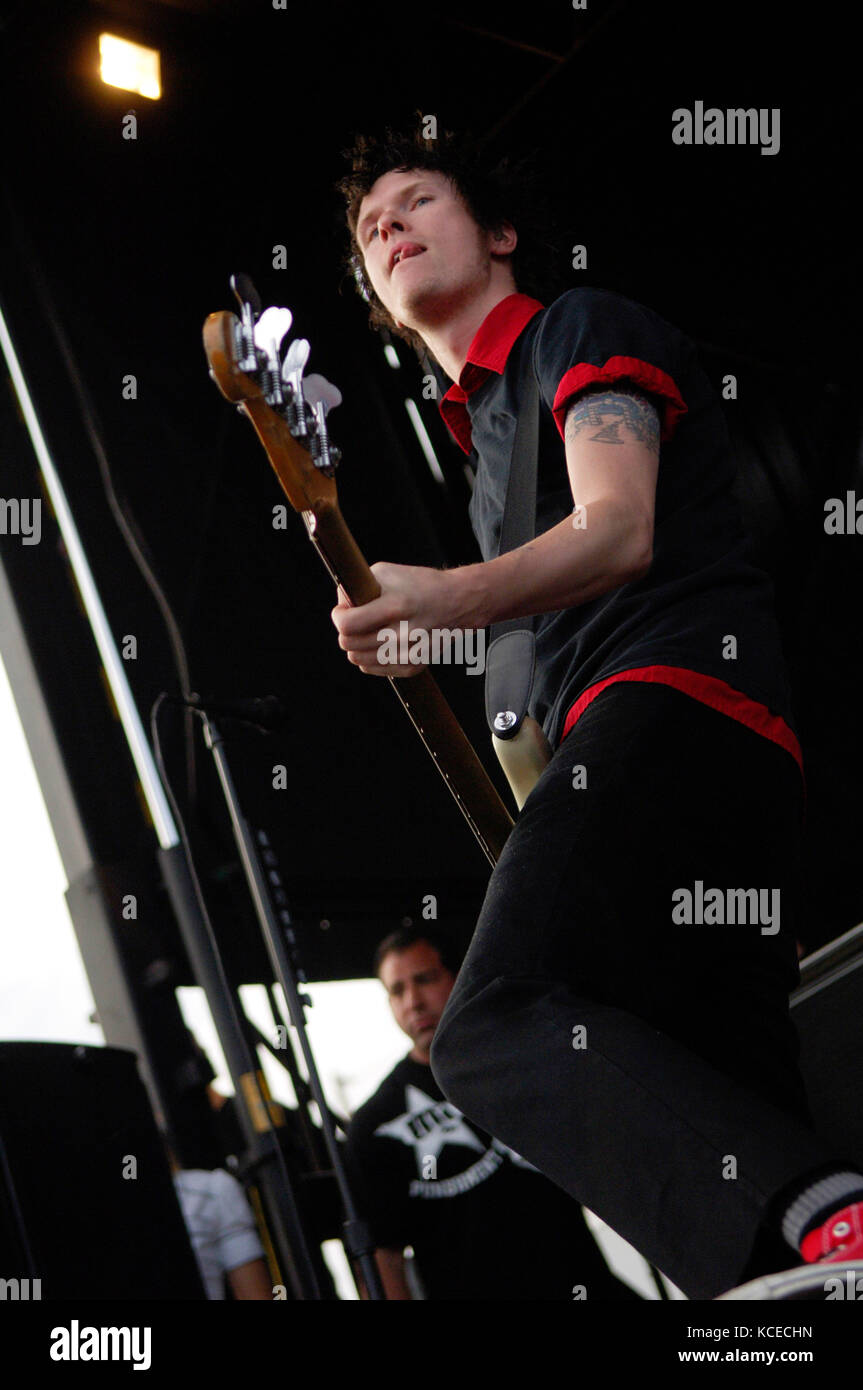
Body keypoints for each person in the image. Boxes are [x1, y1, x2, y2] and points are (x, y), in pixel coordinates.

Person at [331, 122, 863, 1300]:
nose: (386, 225)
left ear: (500, 231)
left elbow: (616, 529)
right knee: (730, 1089)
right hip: (681, 762)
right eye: (370, 228)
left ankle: (823, 1214)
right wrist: (442, 636)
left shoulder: (578, 326)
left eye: (415, 200)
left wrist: (453, 602)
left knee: (487, 1024)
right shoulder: (480, 465)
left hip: (674, 703)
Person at [344, 926, 643, 1300]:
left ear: (458, 976)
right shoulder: (375, 1122)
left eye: (425, 979)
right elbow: (383, 1259)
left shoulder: (522, 1063)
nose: (413, 1001)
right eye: (397, 990)